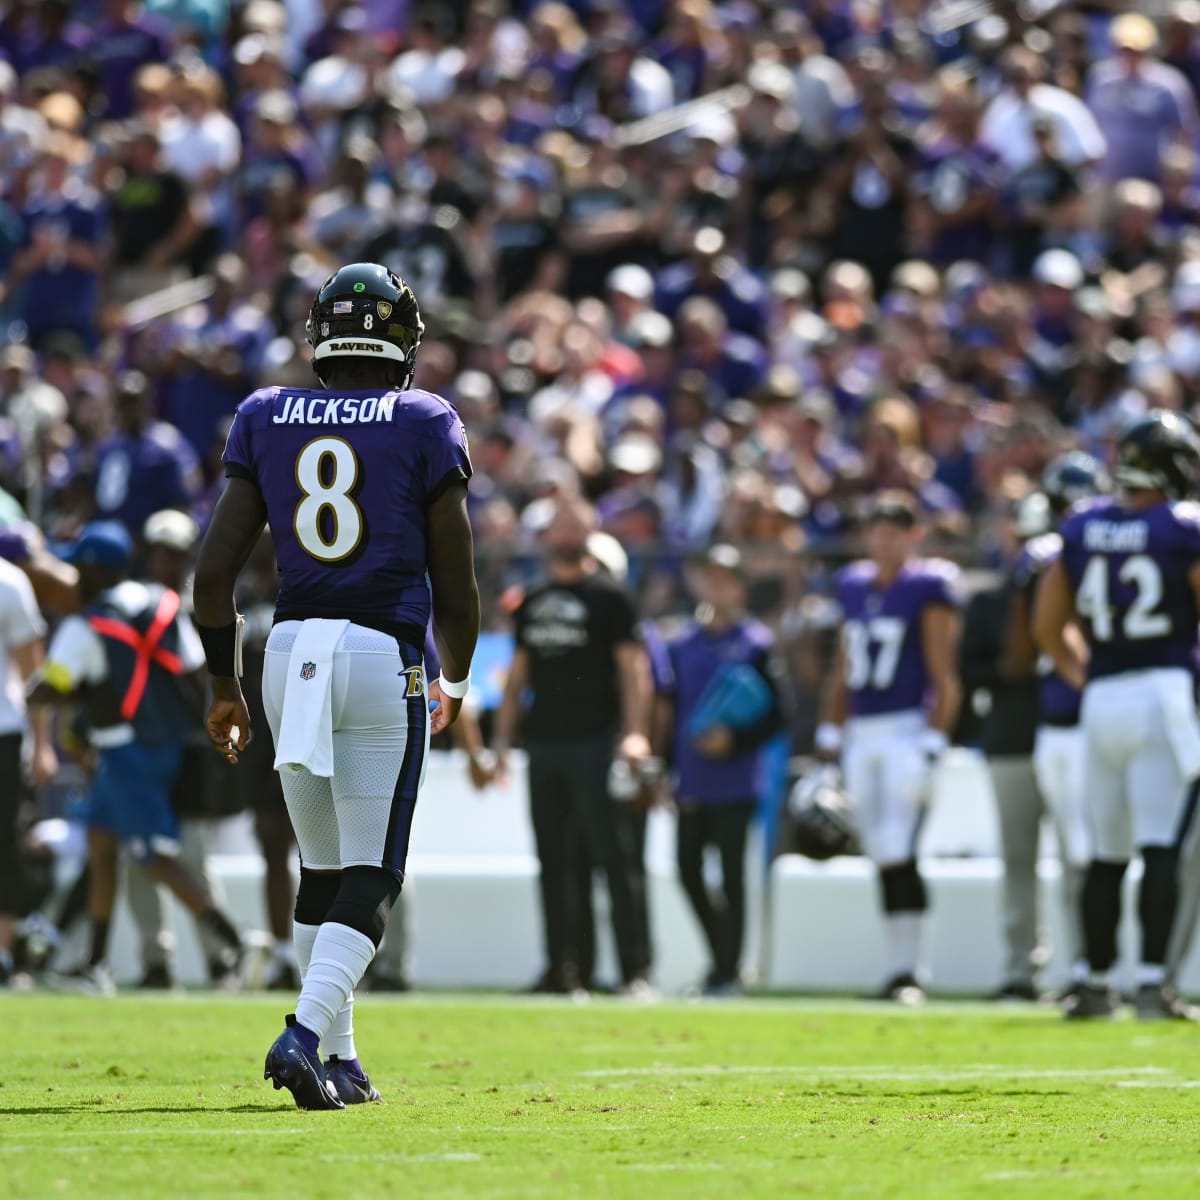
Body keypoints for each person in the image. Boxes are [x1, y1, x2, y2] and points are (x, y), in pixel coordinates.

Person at [193, 262, 479, 1110]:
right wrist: (455, 673)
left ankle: (342, 1059)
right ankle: (306, 1034)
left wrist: (223, 683)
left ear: (322, 333)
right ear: (403, 338)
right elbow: (456, 582)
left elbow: (213, 582)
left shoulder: (265, 413)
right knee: (374, 874)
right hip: (377, 650)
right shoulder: (425, 418)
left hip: (289, 653)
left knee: (323, 872)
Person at [29, 521, 244, 995]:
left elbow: (50, 685)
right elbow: (193, 672)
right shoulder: (160, 604)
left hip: (124, 752)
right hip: (160, 746)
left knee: (153, 858)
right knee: (103, 848)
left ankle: (235, 942)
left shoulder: (87, 623)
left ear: (90, 569)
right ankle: (95, 964)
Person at [1034, 410, 1200, 1021]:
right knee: (1158, 846)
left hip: (1100, 700)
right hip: (1162, 693)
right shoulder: (1183, 527)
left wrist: (1089, 676)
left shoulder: (1083, 527)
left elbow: (1047, 626)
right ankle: (1153, 981)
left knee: (1106, 852)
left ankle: (1092, 978)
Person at [490, 496, 653, 997]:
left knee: (614, 858)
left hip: (597, 742)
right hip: (545, 744)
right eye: (557, 527)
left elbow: (634, 672)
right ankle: (563, 969)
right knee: (553, 860)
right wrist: (501, 740)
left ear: (591, 531)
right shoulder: (532, 601)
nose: (564, 535)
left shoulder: (611, 598)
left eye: (573, 525)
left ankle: (634, 972)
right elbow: (518, 679)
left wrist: (635, 732)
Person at [817, 491, 963, 1002]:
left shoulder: (929, 585)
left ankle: (911, 970)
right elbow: (843, 665)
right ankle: (897, 967)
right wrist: (829, 733)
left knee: (902, 847)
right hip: (862, 730)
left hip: (905, 727)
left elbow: (946, 675)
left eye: (894, 529)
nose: (883, 538)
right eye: (876, 528)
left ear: (914, 535)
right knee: (880, 851)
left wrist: (933, 742)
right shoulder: (852, 584)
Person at [659, 544, 783, 996]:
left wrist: (734, 740)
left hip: (737, 778)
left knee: (732, 876)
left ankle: (727, 971)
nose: (717, 587)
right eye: (710, 578)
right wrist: (667, 768)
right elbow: (668, 712)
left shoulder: (757, 644)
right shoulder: (683, 643)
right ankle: (721, 959)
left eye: (726, 579)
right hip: (692, 777)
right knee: (687, 870)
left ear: (740, 588)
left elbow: (777, 714)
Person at [0, 549, 55, 986]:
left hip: (3, 731)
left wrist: (42, 745)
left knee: (4, 843)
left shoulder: (10, 582)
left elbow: (33, 675)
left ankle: (5, 951)